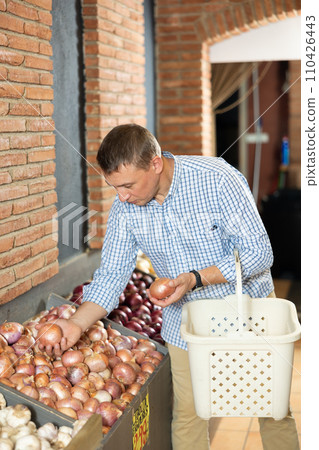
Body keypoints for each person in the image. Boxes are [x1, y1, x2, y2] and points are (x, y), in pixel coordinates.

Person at [39, 124, 299, 450]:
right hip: (186, 321)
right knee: (189, 416)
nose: (122, 196)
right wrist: (75, 323)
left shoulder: (217, 179)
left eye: (129, 185)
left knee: (272, 410)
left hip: (248, 310)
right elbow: (112, 275)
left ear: (156, 163)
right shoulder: (125, 209)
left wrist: (196, 278)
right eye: (114, 187)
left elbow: (260, 253)